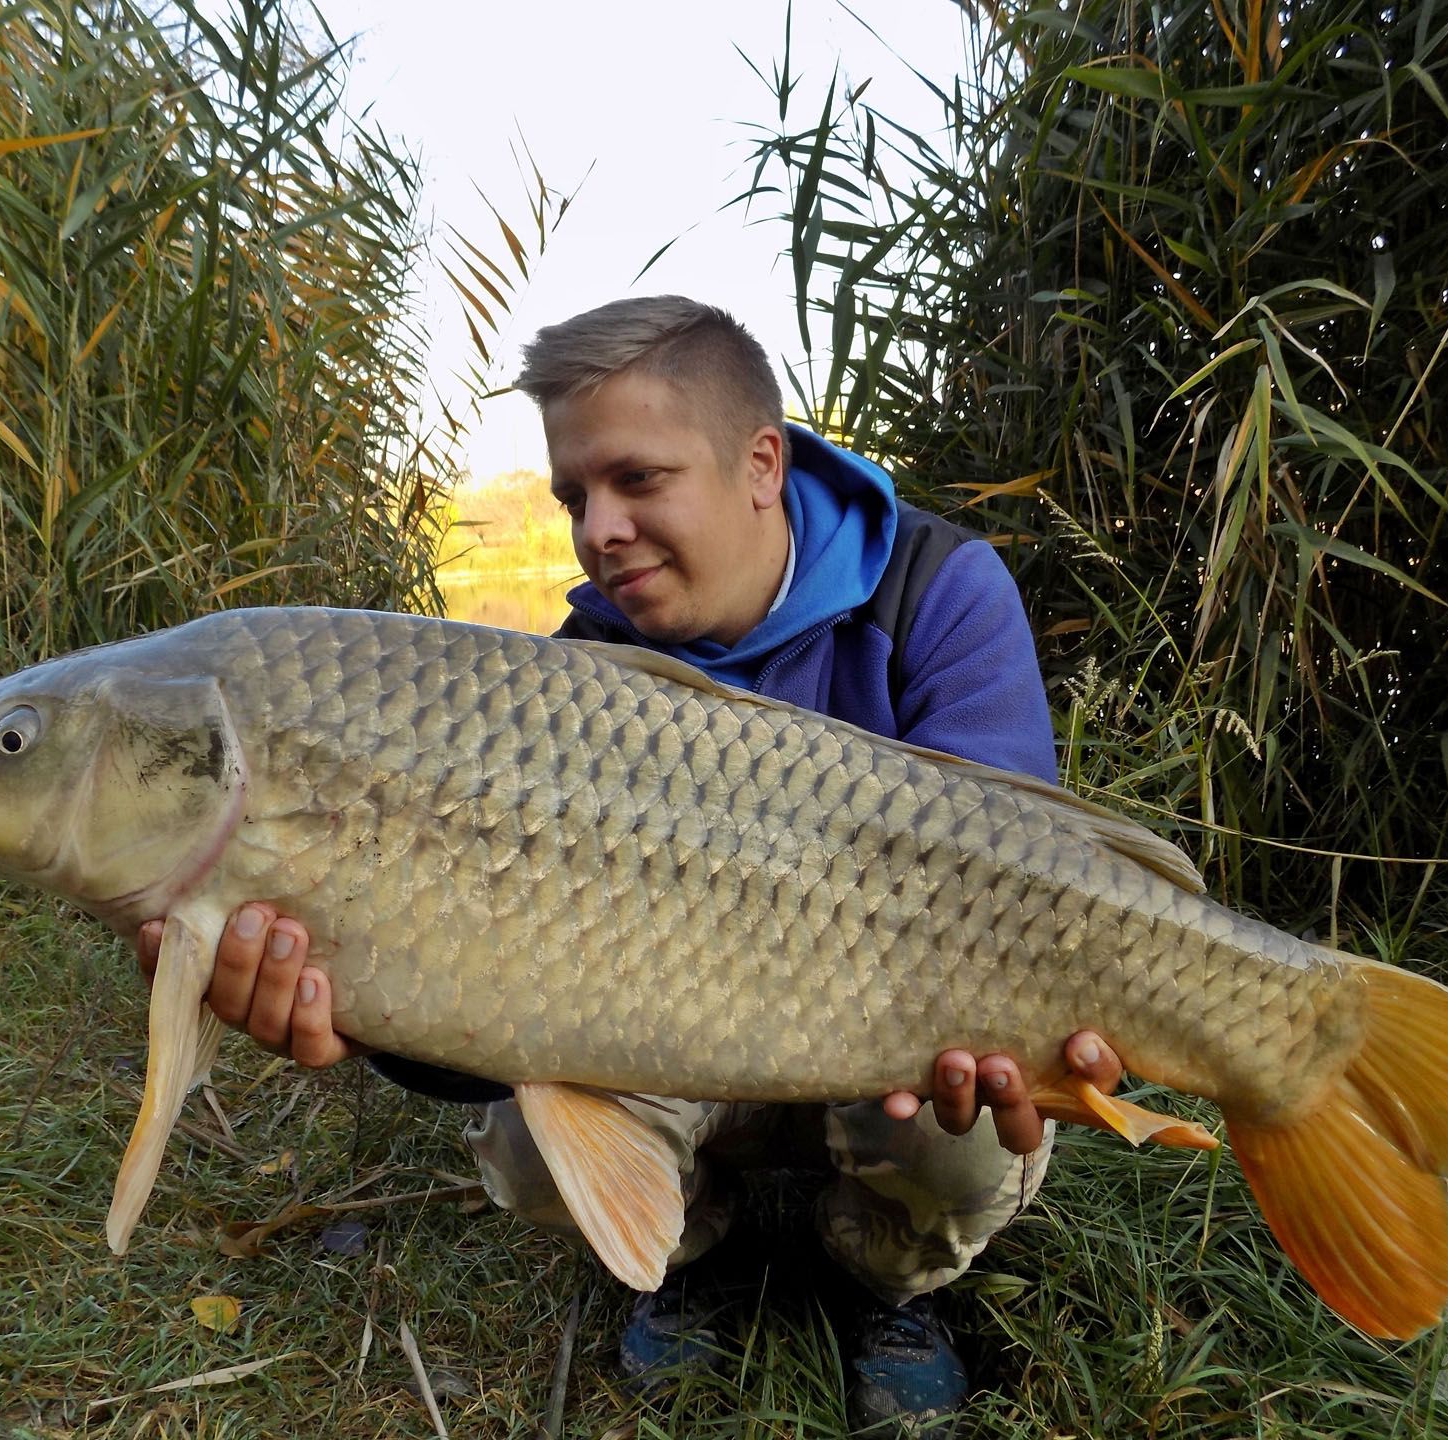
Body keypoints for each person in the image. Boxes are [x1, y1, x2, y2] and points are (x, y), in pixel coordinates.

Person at [136, 297, 1122, 1432]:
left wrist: (1066, 1018)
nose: (598, 530)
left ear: (761, 463)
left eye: (639, 481)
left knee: (964, 1122)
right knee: (525, 1136)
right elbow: (494, 997)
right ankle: (688, 1249)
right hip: (675, 1040)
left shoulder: (938, 590)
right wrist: (360, 1002)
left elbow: (1030, 879)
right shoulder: (568, 678)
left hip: (891, 1035)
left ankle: (883, 1284)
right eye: (572, 496)